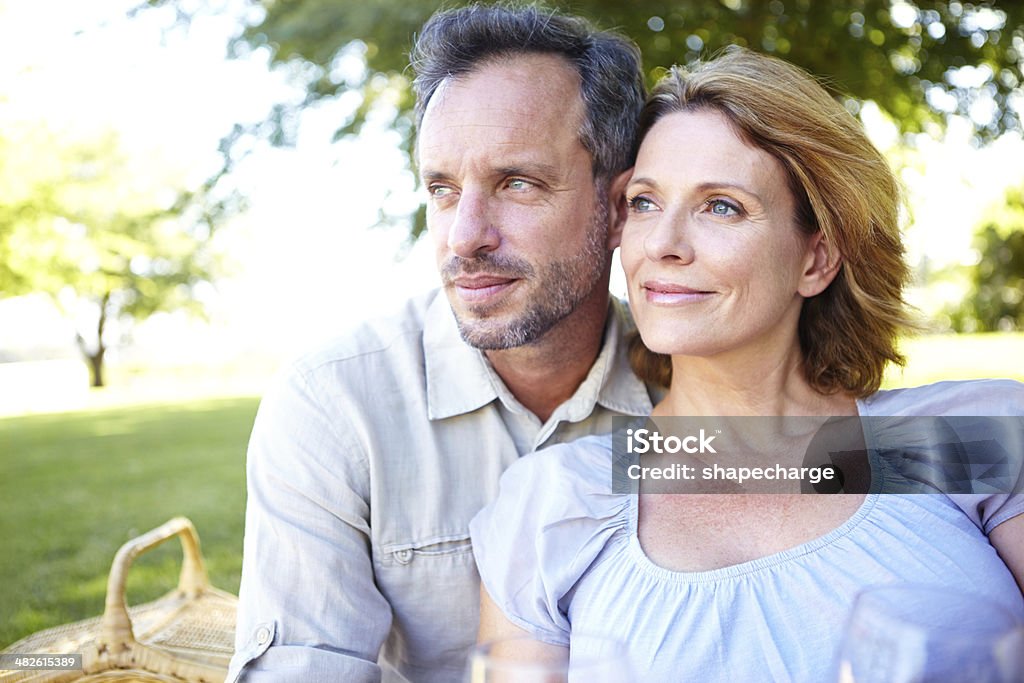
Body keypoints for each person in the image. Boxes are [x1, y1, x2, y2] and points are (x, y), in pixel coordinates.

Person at [471, 47, 1024, 681]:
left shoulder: (962, 436)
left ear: (816, 259)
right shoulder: (560, 504)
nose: (663, 244)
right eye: (646, 202)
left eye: (721, 206)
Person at [225, 5, 652, 682]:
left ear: (620, 204)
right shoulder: (336, 404)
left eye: (517, 183)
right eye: (443, 189)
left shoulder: (695, 386)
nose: (464, 237)